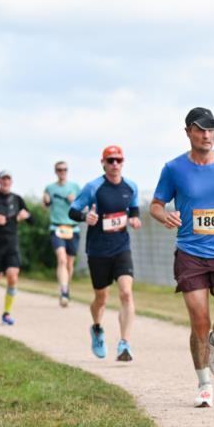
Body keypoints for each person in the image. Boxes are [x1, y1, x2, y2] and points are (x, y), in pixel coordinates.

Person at [150, 108, 214, 408]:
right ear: (188, 132)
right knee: (199, 320)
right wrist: (164, 215)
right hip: (191, 254)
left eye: (211, 129)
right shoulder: (174, 168)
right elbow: (155, 204)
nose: (207, 135)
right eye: (200, 129)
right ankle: (203, 384)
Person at [69, 146, 141, 360]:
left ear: (123, 162)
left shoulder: (131, 186)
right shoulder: (93, 187)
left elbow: (134, 209)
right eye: (110, 160)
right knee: (101, 298)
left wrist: (135, 219)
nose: (115, 164)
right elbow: (73, 210)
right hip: (98, 250)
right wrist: (85, 218)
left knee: (126, 293)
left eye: (118, 160)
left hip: (121, 247)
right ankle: (97, 328)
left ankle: (124, 344)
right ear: (103, 163)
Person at [0, 170, 31, 325]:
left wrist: (26, 216)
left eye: (8, 179)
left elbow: (31, 219)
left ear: (11, 181)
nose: (5, 181)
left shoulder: (17, 199)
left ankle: (7, 313)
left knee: (12, 276)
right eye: (3, 179)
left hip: (11, 244)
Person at [43, 161, 82, 306]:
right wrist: (46, 201)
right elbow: (44, 206)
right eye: (59, 169)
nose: (62, 172)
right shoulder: (49, 188)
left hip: (73, 228)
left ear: (67, 171)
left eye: (64, 169)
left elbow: (83, 206)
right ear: (55, 171)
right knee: (62, 260)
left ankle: (67, 287)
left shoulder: (75, 187)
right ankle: (64, 290)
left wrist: (75, 201)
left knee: (70, 263)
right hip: (56, 227)